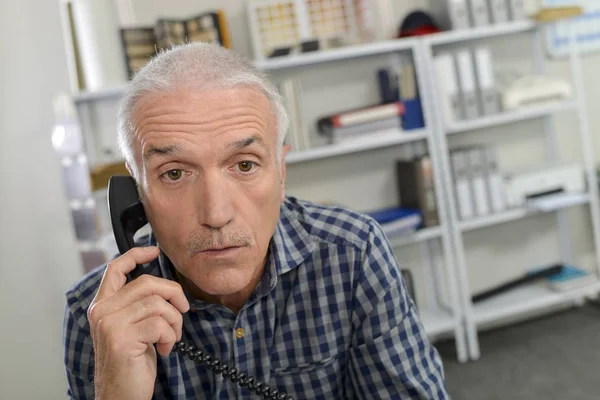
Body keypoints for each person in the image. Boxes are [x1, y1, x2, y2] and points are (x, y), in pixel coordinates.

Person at [62, 42, 450, 400]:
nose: (216, 215)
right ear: (136, 192)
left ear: (280, 171)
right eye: (175, 174)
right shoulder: (95, 314)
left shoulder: (353, 255)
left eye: (245, 165)